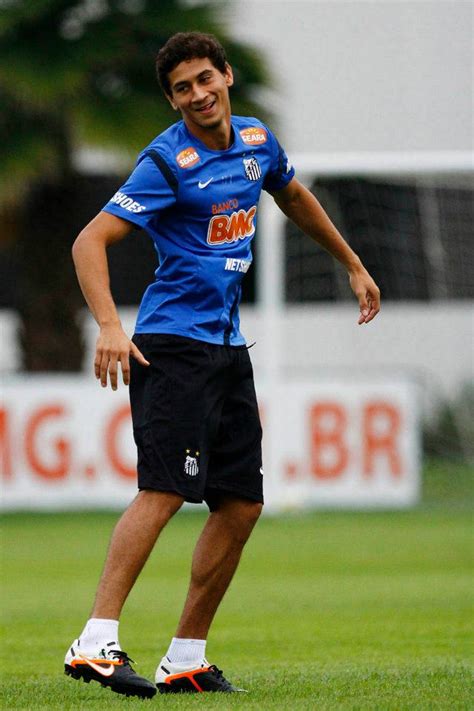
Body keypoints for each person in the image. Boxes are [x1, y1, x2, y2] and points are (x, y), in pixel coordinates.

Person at [64, 31, 380, 699]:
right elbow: (89, 239)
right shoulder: (165, 160)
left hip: (228, 347)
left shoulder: (258, 143)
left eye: (206, 78)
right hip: (172, 345)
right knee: (165, 490)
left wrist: (352, 264)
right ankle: (94, 641)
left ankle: (186, 656)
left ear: (227, 76)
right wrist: (111, 325)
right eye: (183, 88)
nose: (199, 94)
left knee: (241, 503)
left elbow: (292, 195)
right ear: (173, 100)